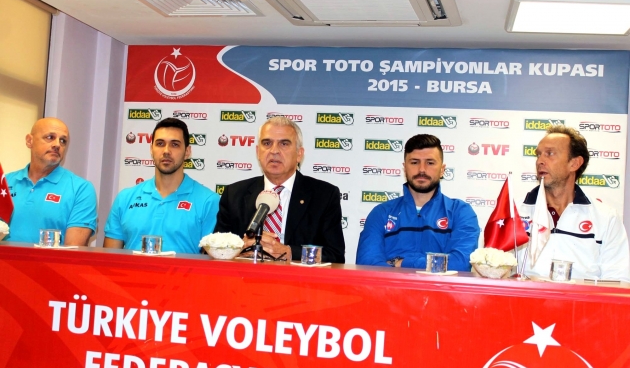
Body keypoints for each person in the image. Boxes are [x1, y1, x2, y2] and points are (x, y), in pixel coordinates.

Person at [214, 116, 345, 263]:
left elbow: (335, 256)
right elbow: (212, 249)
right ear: (258, 152)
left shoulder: (324, 196)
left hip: (297, 277)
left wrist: (289, 252)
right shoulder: (234, 194)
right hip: (246, 276)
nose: (274, 150)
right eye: (267, 143)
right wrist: (240, 247)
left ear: (299, 154)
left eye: (284, 144)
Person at [519, 125, 630, 281]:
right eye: (538, 155)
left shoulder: (605, 217)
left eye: (550, 153)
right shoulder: (516, 212)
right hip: (527, 297)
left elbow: (618, 280)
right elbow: (495, 270)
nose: (540, 161)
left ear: (575, 163)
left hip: (584, 297)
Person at [356, 134, 479, 270]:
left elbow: (461, 263)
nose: (422, 170)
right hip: (391, 285)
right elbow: (366, 264)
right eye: (414, 162)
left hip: (435, 286)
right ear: (405, 168)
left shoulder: (460, 212)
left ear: (442, 170)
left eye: (430, 163)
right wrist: (432, 264)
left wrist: (404, 263)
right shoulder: (381, 213)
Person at [104, 118, 219, 253]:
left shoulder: (208, 201)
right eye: (160, 144)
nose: (166, 151)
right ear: (151, 149)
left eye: (175, 144)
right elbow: (109, 258)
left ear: (187, 152)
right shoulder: (125, 198)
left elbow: (211, 259)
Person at [5, 118, 97, 246]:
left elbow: (73, 252)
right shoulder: (4, 182)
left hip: (50, 260)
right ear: (29, 141)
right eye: (50, 137)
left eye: (63, 141)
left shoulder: (80, 189)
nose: (57, 144)